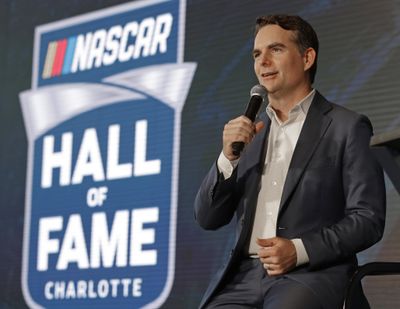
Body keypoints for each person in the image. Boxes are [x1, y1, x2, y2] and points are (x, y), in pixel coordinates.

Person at [194, 15, 386, 309]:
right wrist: (228, 158)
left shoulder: (346, 127)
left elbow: (368, 220)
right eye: (257, 54)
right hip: (242, 278)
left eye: (276, 50)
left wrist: (299, 250)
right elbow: (208, 218)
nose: (263, 61)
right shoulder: (249, 134)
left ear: (307, 58)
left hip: (310, 275)